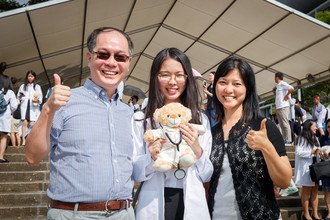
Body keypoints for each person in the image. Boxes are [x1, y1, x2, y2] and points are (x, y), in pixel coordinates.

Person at [25, 27, 135, 220]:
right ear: (89, 57)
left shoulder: (127, 112)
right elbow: (32, 157)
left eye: (120, 57)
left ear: (128, 62)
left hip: (124, 213)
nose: (111, 62)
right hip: (74, 214)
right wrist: (47, 110)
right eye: (103, 54)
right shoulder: (65, 102)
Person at [132, 48, 213, 220]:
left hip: (191, 201)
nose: (172, 81)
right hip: (153, 201)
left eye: (179, 75)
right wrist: (151, 158)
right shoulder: (141, 120)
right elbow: (135, 172)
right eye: (165, 75)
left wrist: (197, 151)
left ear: (187, 78)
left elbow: (207, 174)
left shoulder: (200, 120)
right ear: (155, 78)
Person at [208, 56, 292, 220]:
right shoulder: (210, 133)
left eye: (237, 84)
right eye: (223, 82)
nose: (228, 89)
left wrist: (266, 147)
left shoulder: (263, 125)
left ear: (248, 88)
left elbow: (284, 181)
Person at [294, 119, 322, 220]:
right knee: (306, 191)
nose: (316, 128)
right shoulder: (301, 138)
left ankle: (315, 213)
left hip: (315, 168)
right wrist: (312, 152)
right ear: (308, 127)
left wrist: (321, 152)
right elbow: (298, 152)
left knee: (315, 191)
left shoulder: (315, 138)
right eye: (314, 126)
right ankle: (306, 214)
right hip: (306, 169)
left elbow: (317, 152)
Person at [17, 70, 43, 145]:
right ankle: (24, 140)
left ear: (34, 77)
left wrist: (37, 100)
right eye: (29, 76)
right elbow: (19, 96)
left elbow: (40, 96)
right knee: (24, 123)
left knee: (32, 124)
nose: (30, 78)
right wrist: (22, 96)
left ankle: (32, 140)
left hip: (33, 107)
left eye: (32, 76)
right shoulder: (23, 86)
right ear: (27, 77)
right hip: (24, 106)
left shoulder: (37, 86)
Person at [0, 75, 18, 163]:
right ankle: (1, 157)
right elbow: (14, 106)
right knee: (3, 136)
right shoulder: (10, 92)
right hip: (4, 116)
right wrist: (9, 111)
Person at [274, 71, 294, 144]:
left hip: (283, 106)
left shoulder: (282, 83)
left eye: (275, 77)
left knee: (285, 124)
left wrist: (287, 95)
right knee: (281, 125)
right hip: (279, 107)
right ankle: (284, 139)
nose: (274, 79)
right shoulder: (279, 85)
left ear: (277, 77)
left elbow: (291, 88)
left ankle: (288, 139)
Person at [319, 118, 330, 220]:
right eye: (328, 127)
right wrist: (323, 155)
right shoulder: (323, 138)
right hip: (326, 168)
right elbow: (319, 152)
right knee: (327, 191)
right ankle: (329, 212)